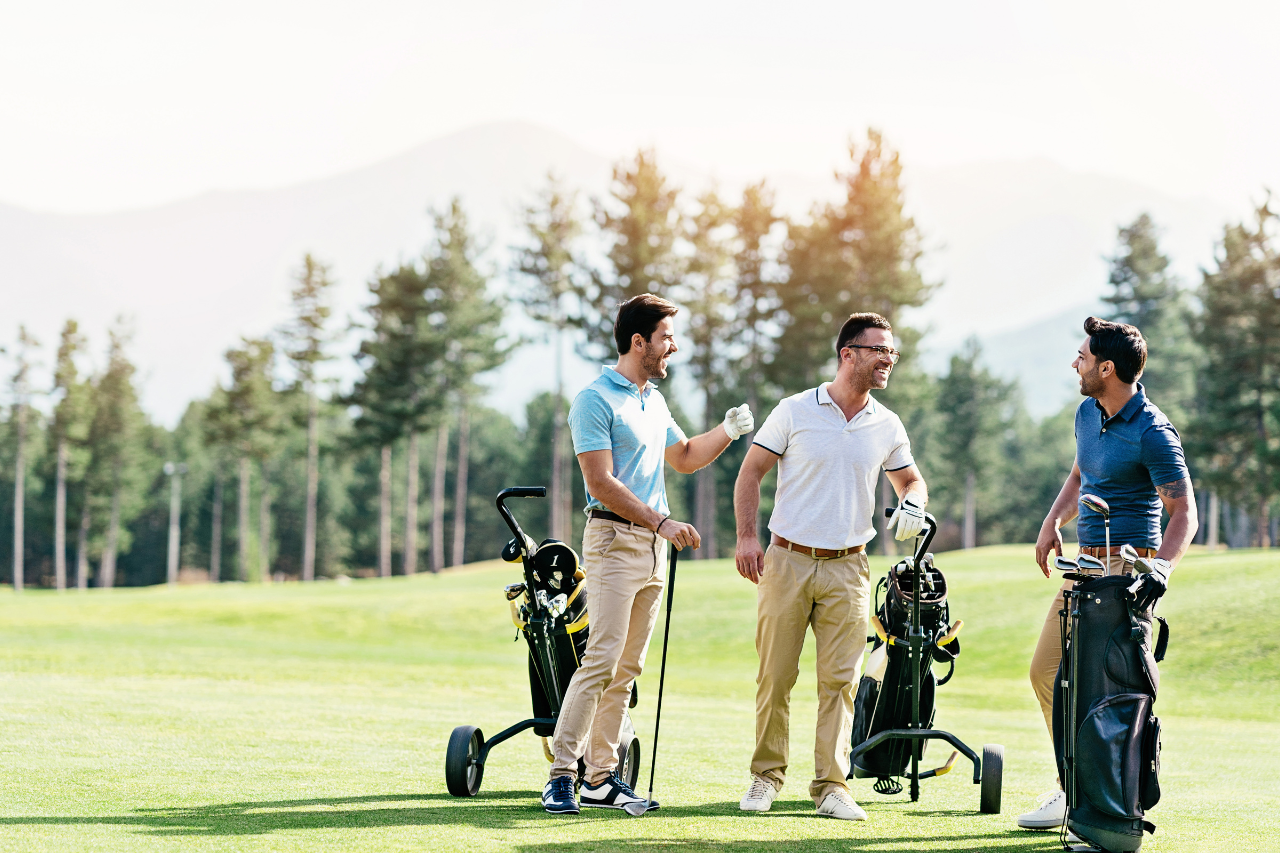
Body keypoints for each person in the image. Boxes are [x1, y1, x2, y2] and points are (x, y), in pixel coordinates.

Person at [542, 293, 755, 815]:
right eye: (665, 338)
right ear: (639, 342)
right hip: (615, 540)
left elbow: (682, 458)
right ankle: (561, 776)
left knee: (627, 668)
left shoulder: (651, 399)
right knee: (601, 659)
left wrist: (727, 432)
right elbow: (600, 481)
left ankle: (601, 778)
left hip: (653, 548)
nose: (672, 347)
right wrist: (661, 520)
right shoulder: (594, 400)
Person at [733, 312, 928, 821]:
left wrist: (912, 501)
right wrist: (747, 537)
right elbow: (751, 471)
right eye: (880, 350)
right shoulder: (796, 411)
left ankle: (831, 786)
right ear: (849, 354)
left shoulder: (886, 422)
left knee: (840, 682)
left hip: (849, 567)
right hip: (788, 559)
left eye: (893, 353)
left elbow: (911, 479)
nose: (889, 360)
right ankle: (765, 777)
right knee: (775, 676)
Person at [1017, 316, 1197, 832]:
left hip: (1128, 567)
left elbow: (1185, 514)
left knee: (1105, 686)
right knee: (1047, 671)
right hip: (1086, 562)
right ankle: (1074, 785)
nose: (1075, 363)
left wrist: (1160, 568)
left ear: (1107, 367)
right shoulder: (1086, 412)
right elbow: (1080, 474)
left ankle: (1106, 796)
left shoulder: (1153, 432)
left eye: (1082, 357)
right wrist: (1053, 523)